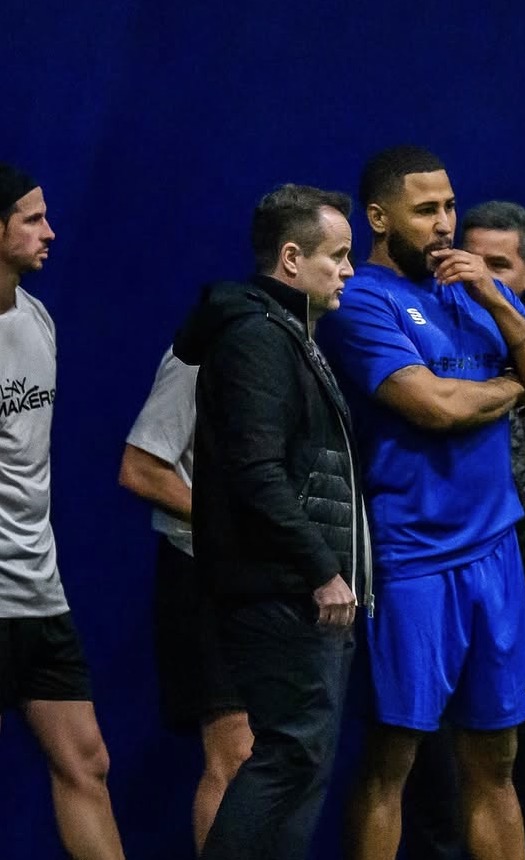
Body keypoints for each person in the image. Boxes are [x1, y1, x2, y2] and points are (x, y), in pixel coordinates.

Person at [317, 146, 525, 860]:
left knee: (496, 763)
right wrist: (514, 385)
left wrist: (496, 299)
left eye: (449, 207)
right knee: (392, 761)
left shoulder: (472, 291)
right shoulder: (361, 301)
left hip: (496, 555)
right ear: (379, 218)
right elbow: (432, 406)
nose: (444, 224)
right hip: (411, 558)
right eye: (425, 210)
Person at [173, 183, 370, 860]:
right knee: (290, 754)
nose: (349, 271)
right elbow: (257, 473)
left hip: (294, 589)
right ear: (291, 258)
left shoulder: (290, 335)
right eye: (337, 256)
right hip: (280, 590)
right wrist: (321, 569)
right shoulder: (257, 338)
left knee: (303, 762)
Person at [401, 201, 525, 860]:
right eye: (467, 258)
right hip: (441, 573)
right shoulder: (426, 342)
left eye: (497, 265)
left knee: (524, 766)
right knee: (432, 776)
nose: (474, 273)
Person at [0, 163, 125, 859]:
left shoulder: (37, 318)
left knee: (86, 762)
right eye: (32, 219)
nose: (50, 232)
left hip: (38, 594)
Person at [118, 347, 252, 855]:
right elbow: (140, 468)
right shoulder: (200, 353)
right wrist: (231, 526)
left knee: (273, 762)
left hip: (268, 582)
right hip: (203, 573)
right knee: (235, 756)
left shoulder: (297, 350)